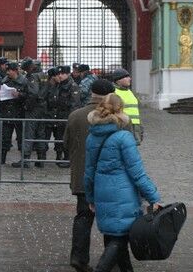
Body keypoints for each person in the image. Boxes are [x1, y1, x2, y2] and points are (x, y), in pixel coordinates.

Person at [84, 93, 162, 272]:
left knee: (113, 235)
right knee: (119, 239)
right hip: (122, 193)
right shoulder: (124, 137)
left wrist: (90, 198)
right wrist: (153, 197)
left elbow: (88, 172)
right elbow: (137, 172)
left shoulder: (92, 136)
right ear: (121, 110)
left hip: (102, 191)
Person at [64, 79, 115, 272]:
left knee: (83, 217)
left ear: (92, 93)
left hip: (82, 176)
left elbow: (66, 143)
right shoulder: (116, 117)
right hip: (108, 178)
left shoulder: (76, 115)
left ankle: (78, 257)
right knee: (111, 219)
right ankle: (111, 259)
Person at [13, 58, 47, 168]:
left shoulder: (33, 76)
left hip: (34, 108)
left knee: (29, 133)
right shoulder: (43, 75)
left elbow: (33, 93)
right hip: (43, 107)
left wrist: (23, 99)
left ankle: (26, 159)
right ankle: (41, 159)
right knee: (41, 133)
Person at [45, 65, 80, 167]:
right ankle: (58, 156)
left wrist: (71, 119)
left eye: (62, 74)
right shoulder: (57, 85)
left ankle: (67, 159)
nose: (60, 76)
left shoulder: (72, 86)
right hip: (57, 115)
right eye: (59, 74)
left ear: (68, 74)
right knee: (58, 138)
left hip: (66, 116)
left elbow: (75, 104)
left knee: (66, 139)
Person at [0, 61, 28, 164]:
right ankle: (2, 159)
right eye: (7, 70)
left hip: (19, 113)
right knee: (5, 137)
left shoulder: (24, 81)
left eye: (9, 70)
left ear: (15, 71)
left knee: (21, 138)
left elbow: (29, 96)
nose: (7, 73)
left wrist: (19, 95)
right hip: (7, 113)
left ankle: (23, 159)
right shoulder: (4, 81)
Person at [112, 68, 143, 144]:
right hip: (122, 128)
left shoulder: (131, 92)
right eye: (126, 77)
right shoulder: (113, 93)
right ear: (118, 80)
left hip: (135, 128)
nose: (130, 79)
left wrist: (141, 128)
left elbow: (136, 112)